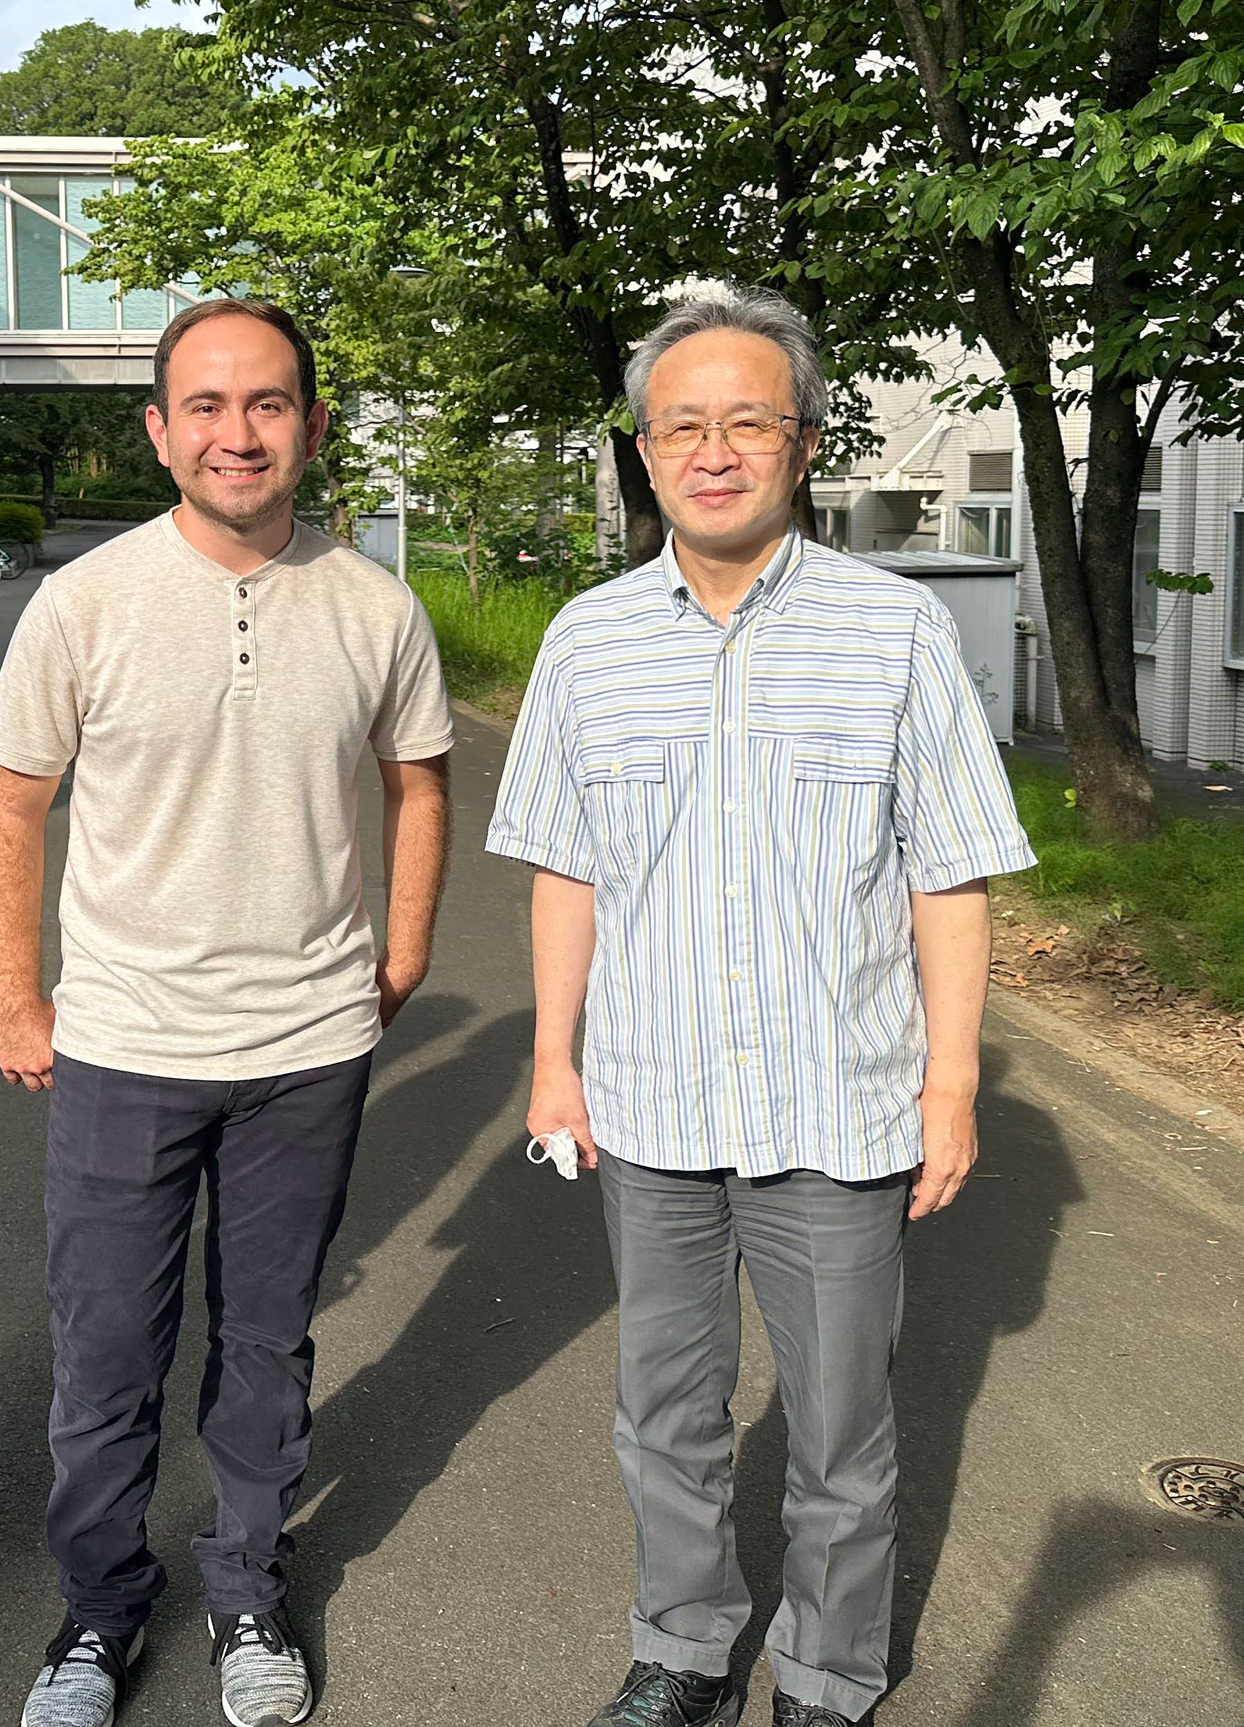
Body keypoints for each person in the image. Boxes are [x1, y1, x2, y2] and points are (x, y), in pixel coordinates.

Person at [487, 284, 1036, 1727]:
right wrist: (555, 1062)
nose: (714, 450)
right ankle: (679, 1647)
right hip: (654, 1103)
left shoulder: (899, 634)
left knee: (842, 1431)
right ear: (646, 450)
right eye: (683, 425)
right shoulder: (587, 642)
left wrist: (951, 1087)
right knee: (665, 1413)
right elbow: (566, 874)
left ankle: (829, 1675)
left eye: (748, 421)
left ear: (803, 442)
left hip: (838, 1110)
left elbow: (952, 879)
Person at [0, 298, 455, 1727]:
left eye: (265, 405)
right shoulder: (89, 601)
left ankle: (247, 1584)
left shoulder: (375, 605)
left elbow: (418, 780)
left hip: (307, 1051)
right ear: (159, 430)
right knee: (107, 1349)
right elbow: (12, 799)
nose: (235, 433)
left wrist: (404, 950)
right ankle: (99, 1612)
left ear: (311, 425)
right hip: (124, 1041)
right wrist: (15, 993)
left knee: (268, 1344)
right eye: (204, 405)